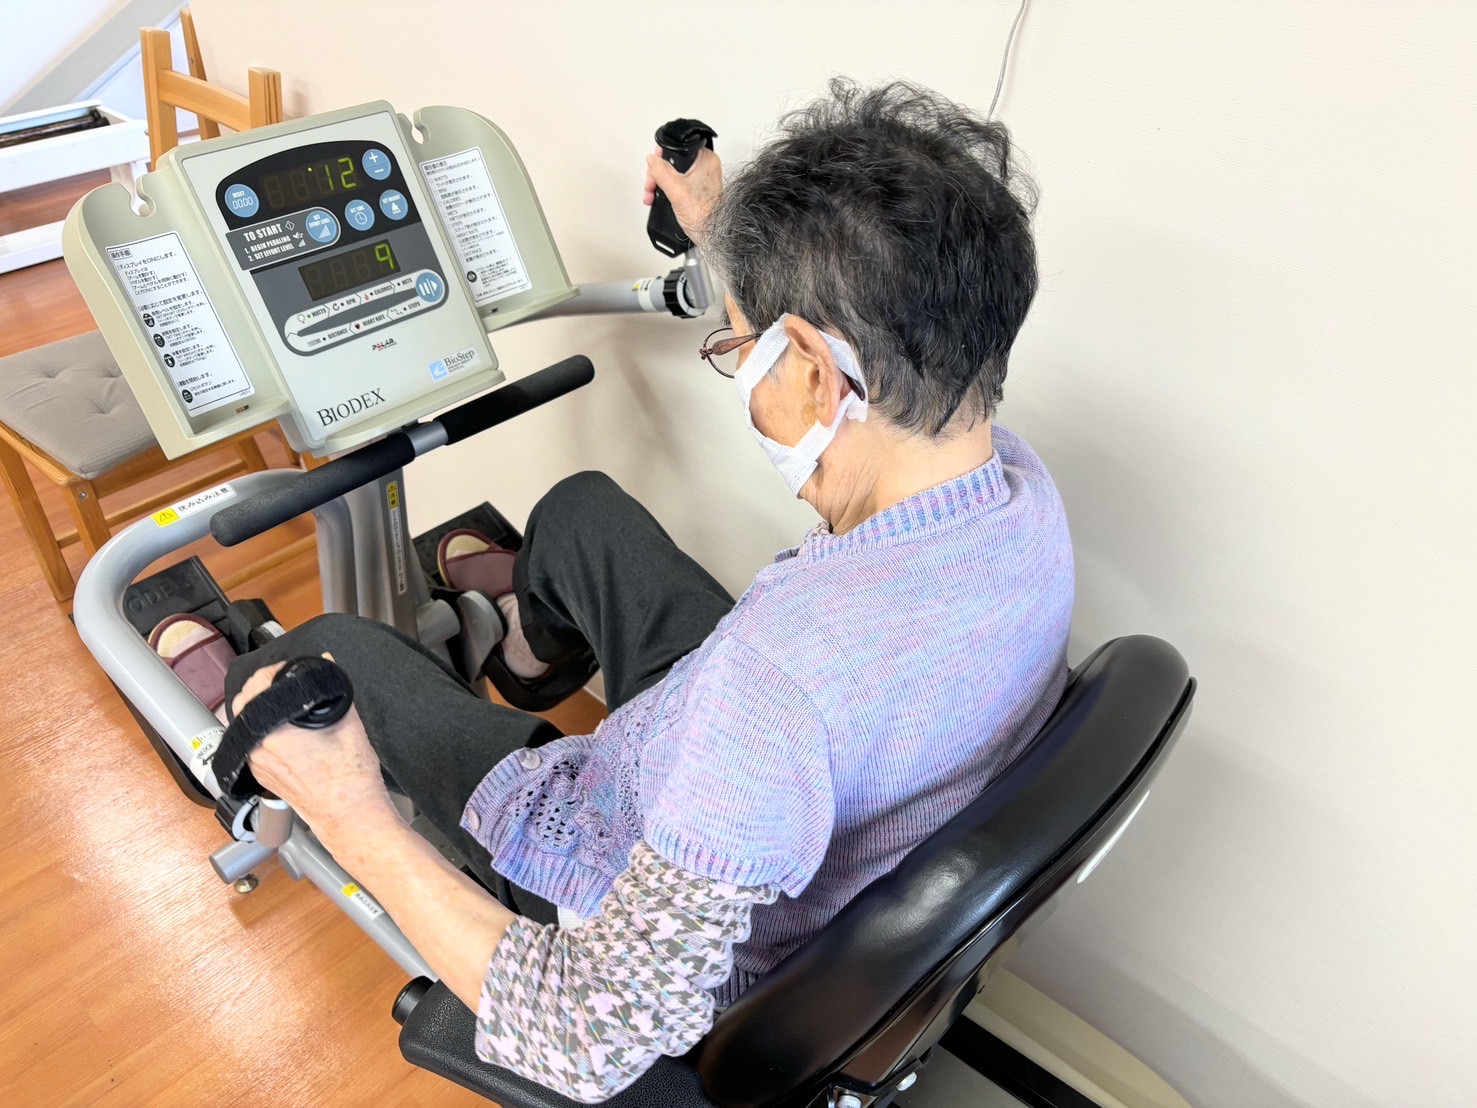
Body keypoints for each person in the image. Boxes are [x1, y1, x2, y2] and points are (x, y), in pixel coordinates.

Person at [228, 78, 1073, 1103]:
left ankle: (243, 715)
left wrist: (350, 809)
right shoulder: (1017, 492)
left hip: (649, 847)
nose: (742, 372)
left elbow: (586, 1037)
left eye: (742, 349)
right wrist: (725, 232)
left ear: (815, 369)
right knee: (580, 511)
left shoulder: (773, 697)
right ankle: (523, 659)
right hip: (775, 759)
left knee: (324, 651)